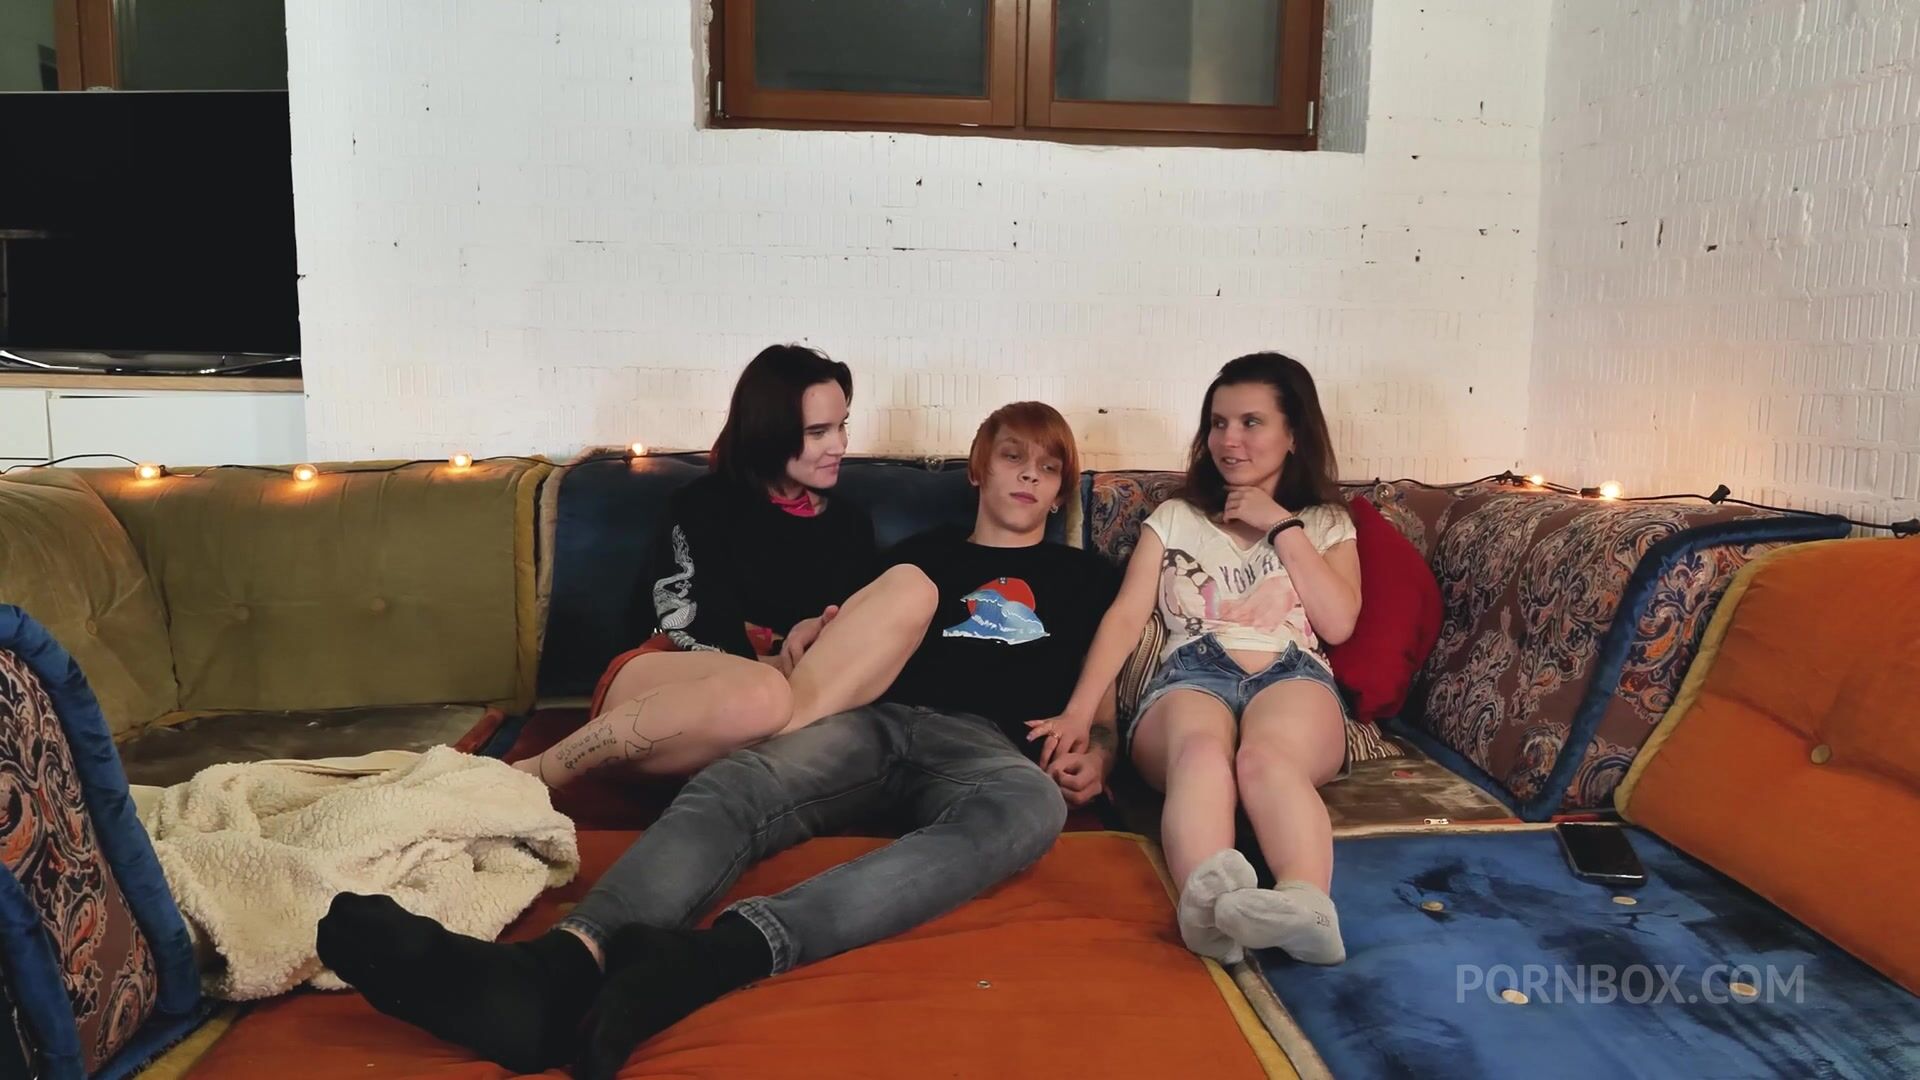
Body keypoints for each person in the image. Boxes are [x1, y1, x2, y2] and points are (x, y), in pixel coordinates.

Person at [316, 402, 1122, 1076]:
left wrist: (1099, 752)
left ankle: (709, 960)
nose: (1029, 476)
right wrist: (811, 633)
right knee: (741, 781)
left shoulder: (1086, 579)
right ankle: (558, 967)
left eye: (1048, 468)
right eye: (1012, 457)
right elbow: (835, 634)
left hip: (987, 746)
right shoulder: (920, 554)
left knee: (1032, 810)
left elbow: (1106, 705)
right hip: (874, 716)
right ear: (978, 469)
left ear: (1060, 491)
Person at [1030, 353, 1360, 967]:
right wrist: (1079, 713)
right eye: (1218, 423)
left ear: (1294, 434)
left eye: (1251, 422)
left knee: (1265, 759)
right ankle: (1207, 913)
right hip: (1191, 673)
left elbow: (1339, 622)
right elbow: (1125, 618)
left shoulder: (1325, 524)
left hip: (1291, 672)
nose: (1229, 440)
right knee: (1202, 755)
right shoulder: (1176, 517)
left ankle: (1309, 908)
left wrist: (1280, 525)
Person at [513, 344, 938, 785]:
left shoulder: (850, 523)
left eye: (842, 425)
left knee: (912, 585)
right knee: (764, 694)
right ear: (768, 431)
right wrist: (779, 661)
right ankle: (535, 772)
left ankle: (775, 736)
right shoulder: (701, 504)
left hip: (785, 704)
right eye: (818, 432)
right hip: (674, 684)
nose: (840, 445)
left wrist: (819, 627)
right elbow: (688, 622)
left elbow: (853, 642)